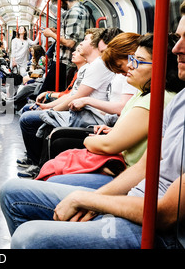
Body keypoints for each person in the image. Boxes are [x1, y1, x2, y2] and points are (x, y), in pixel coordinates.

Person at [0, 1, 185, 249]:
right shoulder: (179, 101)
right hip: (136, 192)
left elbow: (165, 214)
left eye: (137, 62)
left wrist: (93, 201)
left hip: (162, 230)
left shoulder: (157, 99)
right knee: (12, 192)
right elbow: (144, 168)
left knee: (29, 238)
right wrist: (91, 199)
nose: (177, 49)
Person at [40, 33, 184, 189]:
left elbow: (109, 145)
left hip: (125, 172)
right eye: (131, 59)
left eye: (136, 61)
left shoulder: (155, 99)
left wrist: (89, 140)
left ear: (161, 66)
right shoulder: (144, 93)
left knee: (52, 176)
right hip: (120, 162)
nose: (129, 66)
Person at [17, 28, 114, 178]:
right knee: (30, 110)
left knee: (28, 118)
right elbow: (72, 95)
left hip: (89, 116)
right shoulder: (90, 67)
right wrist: (49, 107)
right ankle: (36, 160)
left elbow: (75, 97)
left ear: (95, 45)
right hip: (81, 111)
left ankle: (37, 163)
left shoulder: (97, 66)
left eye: (85, 40)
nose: (79, 45)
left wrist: (51, 109)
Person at [41, 0, 92, 90]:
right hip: (64, 61)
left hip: (64, 62)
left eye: (60, 1)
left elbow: (70, 42)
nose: (60, 5)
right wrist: (56, 32)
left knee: (46, 93)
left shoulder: (74, 12)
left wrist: (51, 35)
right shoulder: (82, 10)